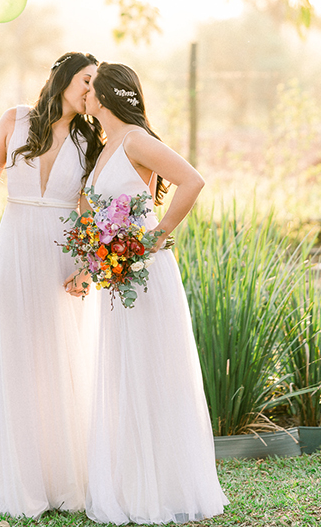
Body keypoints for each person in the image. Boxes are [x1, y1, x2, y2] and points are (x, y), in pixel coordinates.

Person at [0, 52, 103, 518]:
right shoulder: (15, 120)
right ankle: (13, 476)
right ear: (62, 79)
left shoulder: (90, 138)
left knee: (60, 357)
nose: (91, 90)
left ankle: (61, 478)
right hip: (14, 248)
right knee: (15, 356)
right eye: (86, 80)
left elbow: (88, 210)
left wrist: (87, 264)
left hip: (61, 255)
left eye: (96, 84)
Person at [73, 61, 228, 525]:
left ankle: (164, 488)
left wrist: (156, 234)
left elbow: (192, 180)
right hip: (117, 279)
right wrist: (94, 257)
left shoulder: (137, 141)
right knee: (124, 375)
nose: (84, 95)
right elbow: (95, 210)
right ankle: (130, 483)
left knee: (152, 372)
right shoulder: (104, 146)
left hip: (146, 273)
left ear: (104, 95)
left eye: (89, 87)